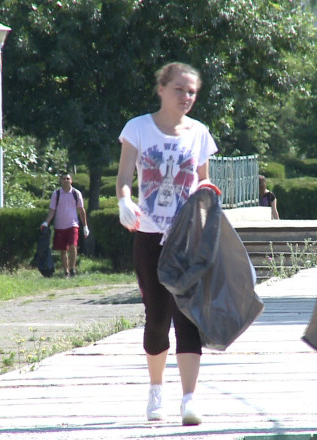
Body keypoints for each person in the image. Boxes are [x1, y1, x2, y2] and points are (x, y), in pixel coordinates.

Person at [115, 62, 218, 426]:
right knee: (157, 317)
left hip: (187, 238)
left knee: (188, 317)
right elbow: (125, 177)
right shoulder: (138, 129)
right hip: (149, 235)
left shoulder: (200, 133)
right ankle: (156, 389)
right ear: (161, 89)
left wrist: (207, 201)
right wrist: (124, 200)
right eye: (179, 89)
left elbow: (204, 182)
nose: (186, 97)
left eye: (192, 91)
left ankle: (190, 399)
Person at [40, 173, 89, 278]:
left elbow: (81, 210)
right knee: (63, 250)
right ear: (61, 181)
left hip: (73, 224)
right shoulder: (56, 194)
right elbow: (52, 210)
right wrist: (46, 222)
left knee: (73, 245)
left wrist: (85, 226)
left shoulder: (76, 193)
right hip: (60, 225)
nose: (66, 181)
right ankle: (66, 271)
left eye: (68, 178)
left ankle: (72, 269)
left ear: (71, 180)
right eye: (63, 179)